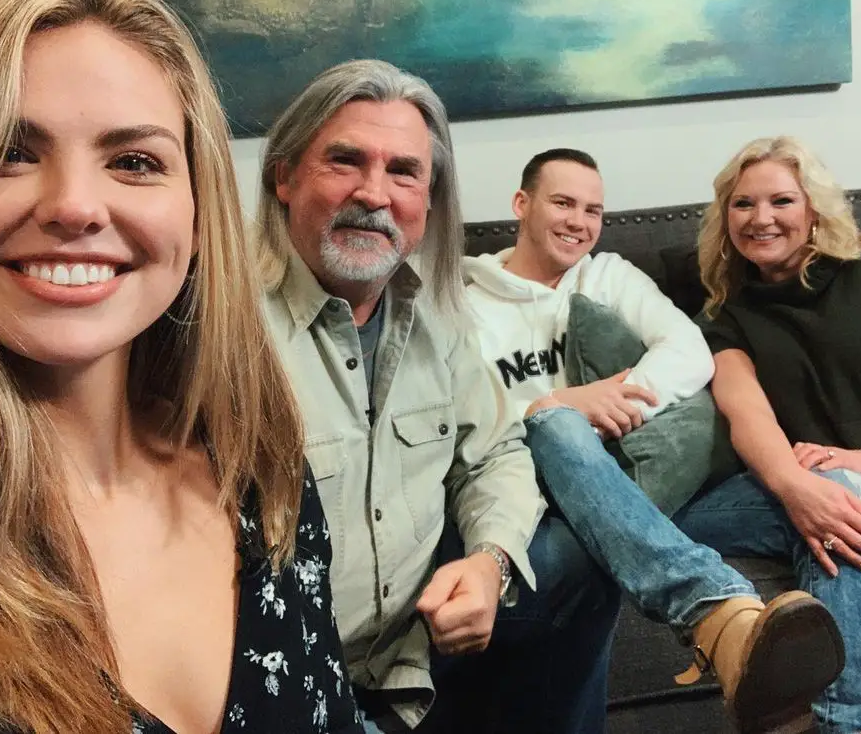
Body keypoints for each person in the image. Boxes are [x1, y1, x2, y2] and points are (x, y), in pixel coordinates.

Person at [0, 0, 361, 734]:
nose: (76, 206)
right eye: (8, 151)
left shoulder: (258, 473)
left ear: (197, 206)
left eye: (134, 162)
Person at [256, 59, 622, 734]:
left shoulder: (439, 320)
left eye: (404, 171)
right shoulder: (222, 330)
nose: (374, 193)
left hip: (412, 651)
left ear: (429, 201)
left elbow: (497, 453)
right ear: (284, 176)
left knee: (581, 563)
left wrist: (489, 563)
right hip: (289, 677)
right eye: (344, 161)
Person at [464, 147, 851, 732]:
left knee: (850, 492)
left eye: (593, 210)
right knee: (556, 427)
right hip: (536, 493)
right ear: (522, 204)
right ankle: (714, 608)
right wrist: (558, 405)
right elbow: (461, 418)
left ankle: (842, 720)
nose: (579, 222)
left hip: (639, 487)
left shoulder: (608, 275)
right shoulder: (464, 300)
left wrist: (617, 403)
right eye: (563, 203)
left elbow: (689, 352)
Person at [673, 135, 861, 732]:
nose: (761, 218)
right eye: (742, 204)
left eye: (781, 200)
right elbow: (745, 412)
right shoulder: (724, 317)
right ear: (723, 218)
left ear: (814, 208)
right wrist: (795, 485)